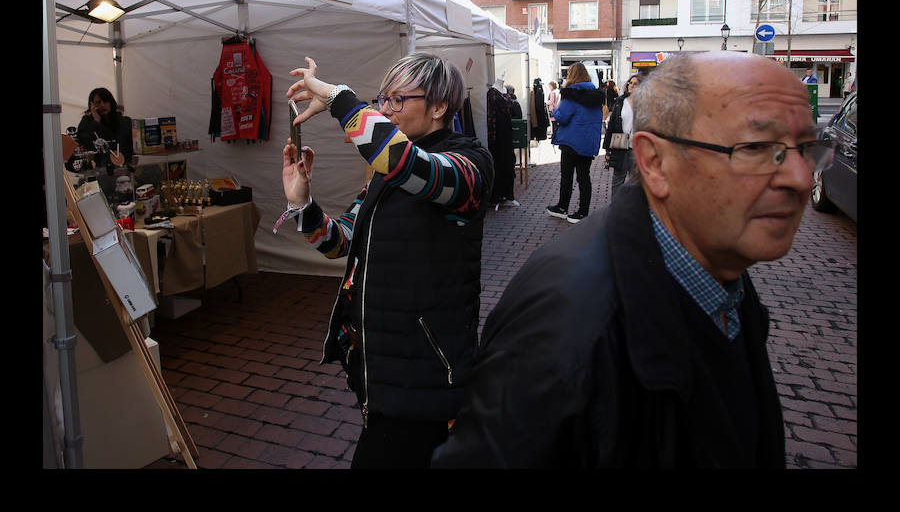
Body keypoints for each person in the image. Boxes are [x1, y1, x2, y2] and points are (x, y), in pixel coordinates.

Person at [431, 52, 832, 467]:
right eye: (757, 148)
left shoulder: (716, 268)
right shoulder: (568, 326)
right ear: (656, 162)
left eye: (807, 147)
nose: (801, 178)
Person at [279, 54, 494, 469]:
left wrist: (340, 98)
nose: (385, 110)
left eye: (398, 100)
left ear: (438, 107)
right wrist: (301, 203)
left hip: (430, 377)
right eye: (383, 99)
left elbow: (409, 165)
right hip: (384, 373)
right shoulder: (385, 173)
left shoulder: (468, 165)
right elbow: (340, 242)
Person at [545, 63, 605, 223]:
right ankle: (582, 211)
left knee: (567, 177)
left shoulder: (571, 95)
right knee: (584, 177)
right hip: (588, 141)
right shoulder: (596, 95)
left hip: (571, 141)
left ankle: (562, 207)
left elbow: (562, 117)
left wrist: (555, 110)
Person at [602, 74, 640, 199]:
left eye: (635, 84)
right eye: (630, 83)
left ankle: (633, 210)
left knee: (636, 182)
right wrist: (607, 145)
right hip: (621, 142)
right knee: (618, 179)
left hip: (638, 146)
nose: (632, 86)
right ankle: (616, 210)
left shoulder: (646, 103)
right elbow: (612, 124)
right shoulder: (621, 101)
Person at [76, 87, 133, 168]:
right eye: (98, 103)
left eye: (105, 101)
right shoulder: (87, 122)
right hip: (99, 168)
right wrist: (96, 121)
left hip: (124, 166)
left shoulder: (124, 121)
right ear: (92, 105)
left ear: (111, 102)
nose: (102, 105)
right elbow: (85, 142)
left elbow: (128, 143)